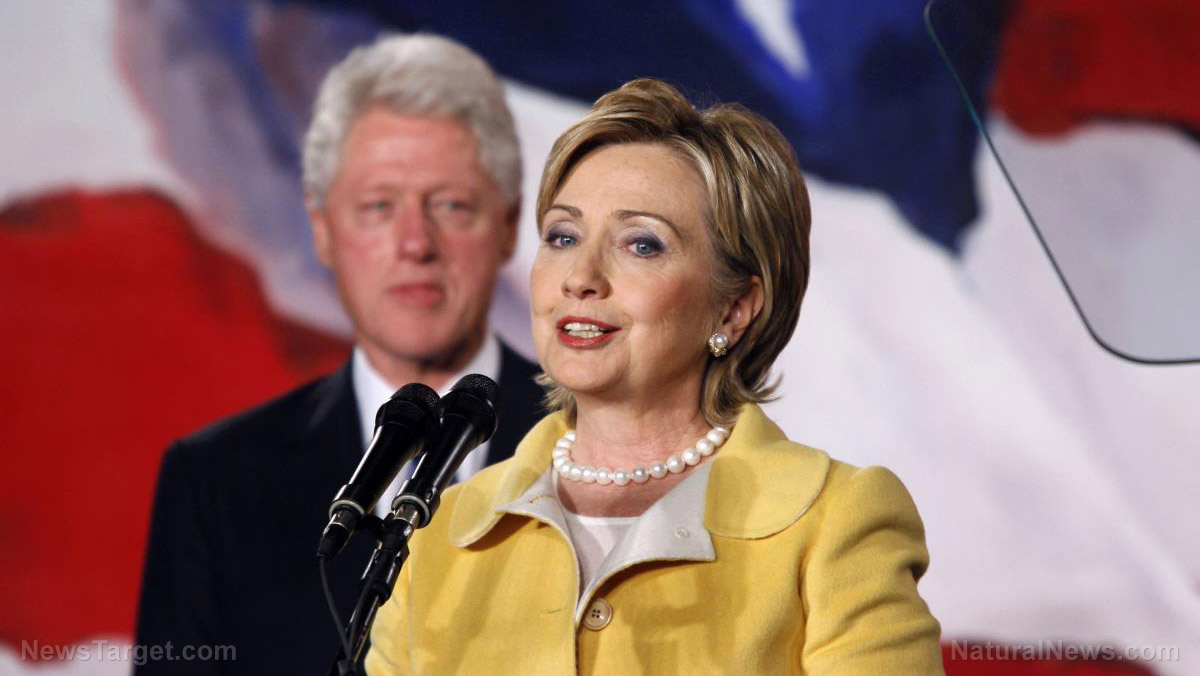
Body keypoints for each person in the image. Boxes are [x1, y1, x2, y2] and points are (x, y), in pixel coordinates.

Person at [365, 78, 944, 675]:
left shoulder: (835, 522)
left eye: (641, 245)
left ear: (733, 308)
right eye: (563, 237)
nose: (580, 277)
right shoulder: (436, 535)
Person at [134, 35, 545, 675]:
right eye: (379, 206)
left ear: (509, 224)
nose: (415, 243)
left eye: (451, 204)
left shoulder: (596, 445)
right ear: (323, 228)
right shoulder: (213, 483)